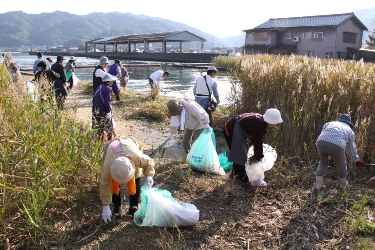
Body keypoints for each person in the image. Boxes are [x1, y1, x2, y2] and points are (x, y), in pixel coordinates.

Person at [222, 109, 283, 191]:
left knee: (241, 153)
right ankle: (245, 183)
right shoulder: (259, 125)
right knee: (240, 156)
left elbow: (255, 138)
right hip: (231, 129)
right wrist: (258, 157)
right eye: (275, 122)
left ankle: (234, 175)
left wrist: (257, 154)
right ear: (271, 121)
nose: (275, 125)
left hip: (234, 127)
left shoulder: (260, 120)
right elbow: (258, 143)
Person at [100, 136, 155, 223]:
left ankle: (134, 205)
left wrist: (149, 175)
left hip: (129, 143)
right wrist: (105, 206)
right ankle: (117, 206)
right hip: (112, 146)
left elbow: (149, 162)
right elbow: (104, 184)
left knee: (136, 175)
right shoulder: (108, 165)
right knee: (113, 183)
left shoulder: (136, 156)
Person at [315, 114, 364, 190]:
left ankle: (318, 186)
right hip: (337, 144)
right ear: (349, 124)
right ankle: (343, 185)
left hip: (321, 141)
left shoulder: (329, 123)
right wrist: (356, 161)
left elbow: (324, 133)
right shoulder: (349, 130)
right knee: (341, 164)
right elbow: (351, 149)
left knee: (323, 163)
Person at [94, 74, 117, 142]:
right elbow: (107, 101)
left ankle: (100, 141)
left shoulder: (99, 87)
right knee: (109, 127)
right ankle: (110, 142)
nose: (112, 83)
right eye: (111, 81)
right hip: (103, 110)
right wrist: (108, 111)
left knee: (100, 126)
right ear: (107, 82)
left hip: (97, 109)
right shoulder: (107, 88)